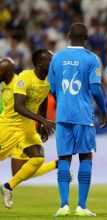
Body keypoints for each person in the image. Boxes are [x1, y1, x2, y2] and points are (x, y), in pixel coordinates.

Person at [48, 23, 107, 217]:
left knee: (64, 159)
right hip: (83, 116)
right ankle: (81, 206)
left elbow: (52, 88)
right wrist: (105, 111)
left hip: (63, 116)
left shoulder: (56, 58)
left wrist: (63, 103)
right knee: (85, 157)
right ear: (86, 38)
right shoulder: (92, 59)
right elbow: (96, 89)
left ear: (67, 36)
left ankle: (63, 205)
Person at [0, 51, 56, 209]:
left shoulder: (47, 81)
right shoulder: (24, 77)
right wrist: (43, 120)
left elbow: (44, 97)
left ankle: (8, 187)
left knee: (38, 158)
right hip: (8, 126)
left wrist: (43, 124)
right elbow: (18, 106)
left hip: (27, 128)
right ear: (40, 64)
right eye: (50, 60)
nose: (53, 62)